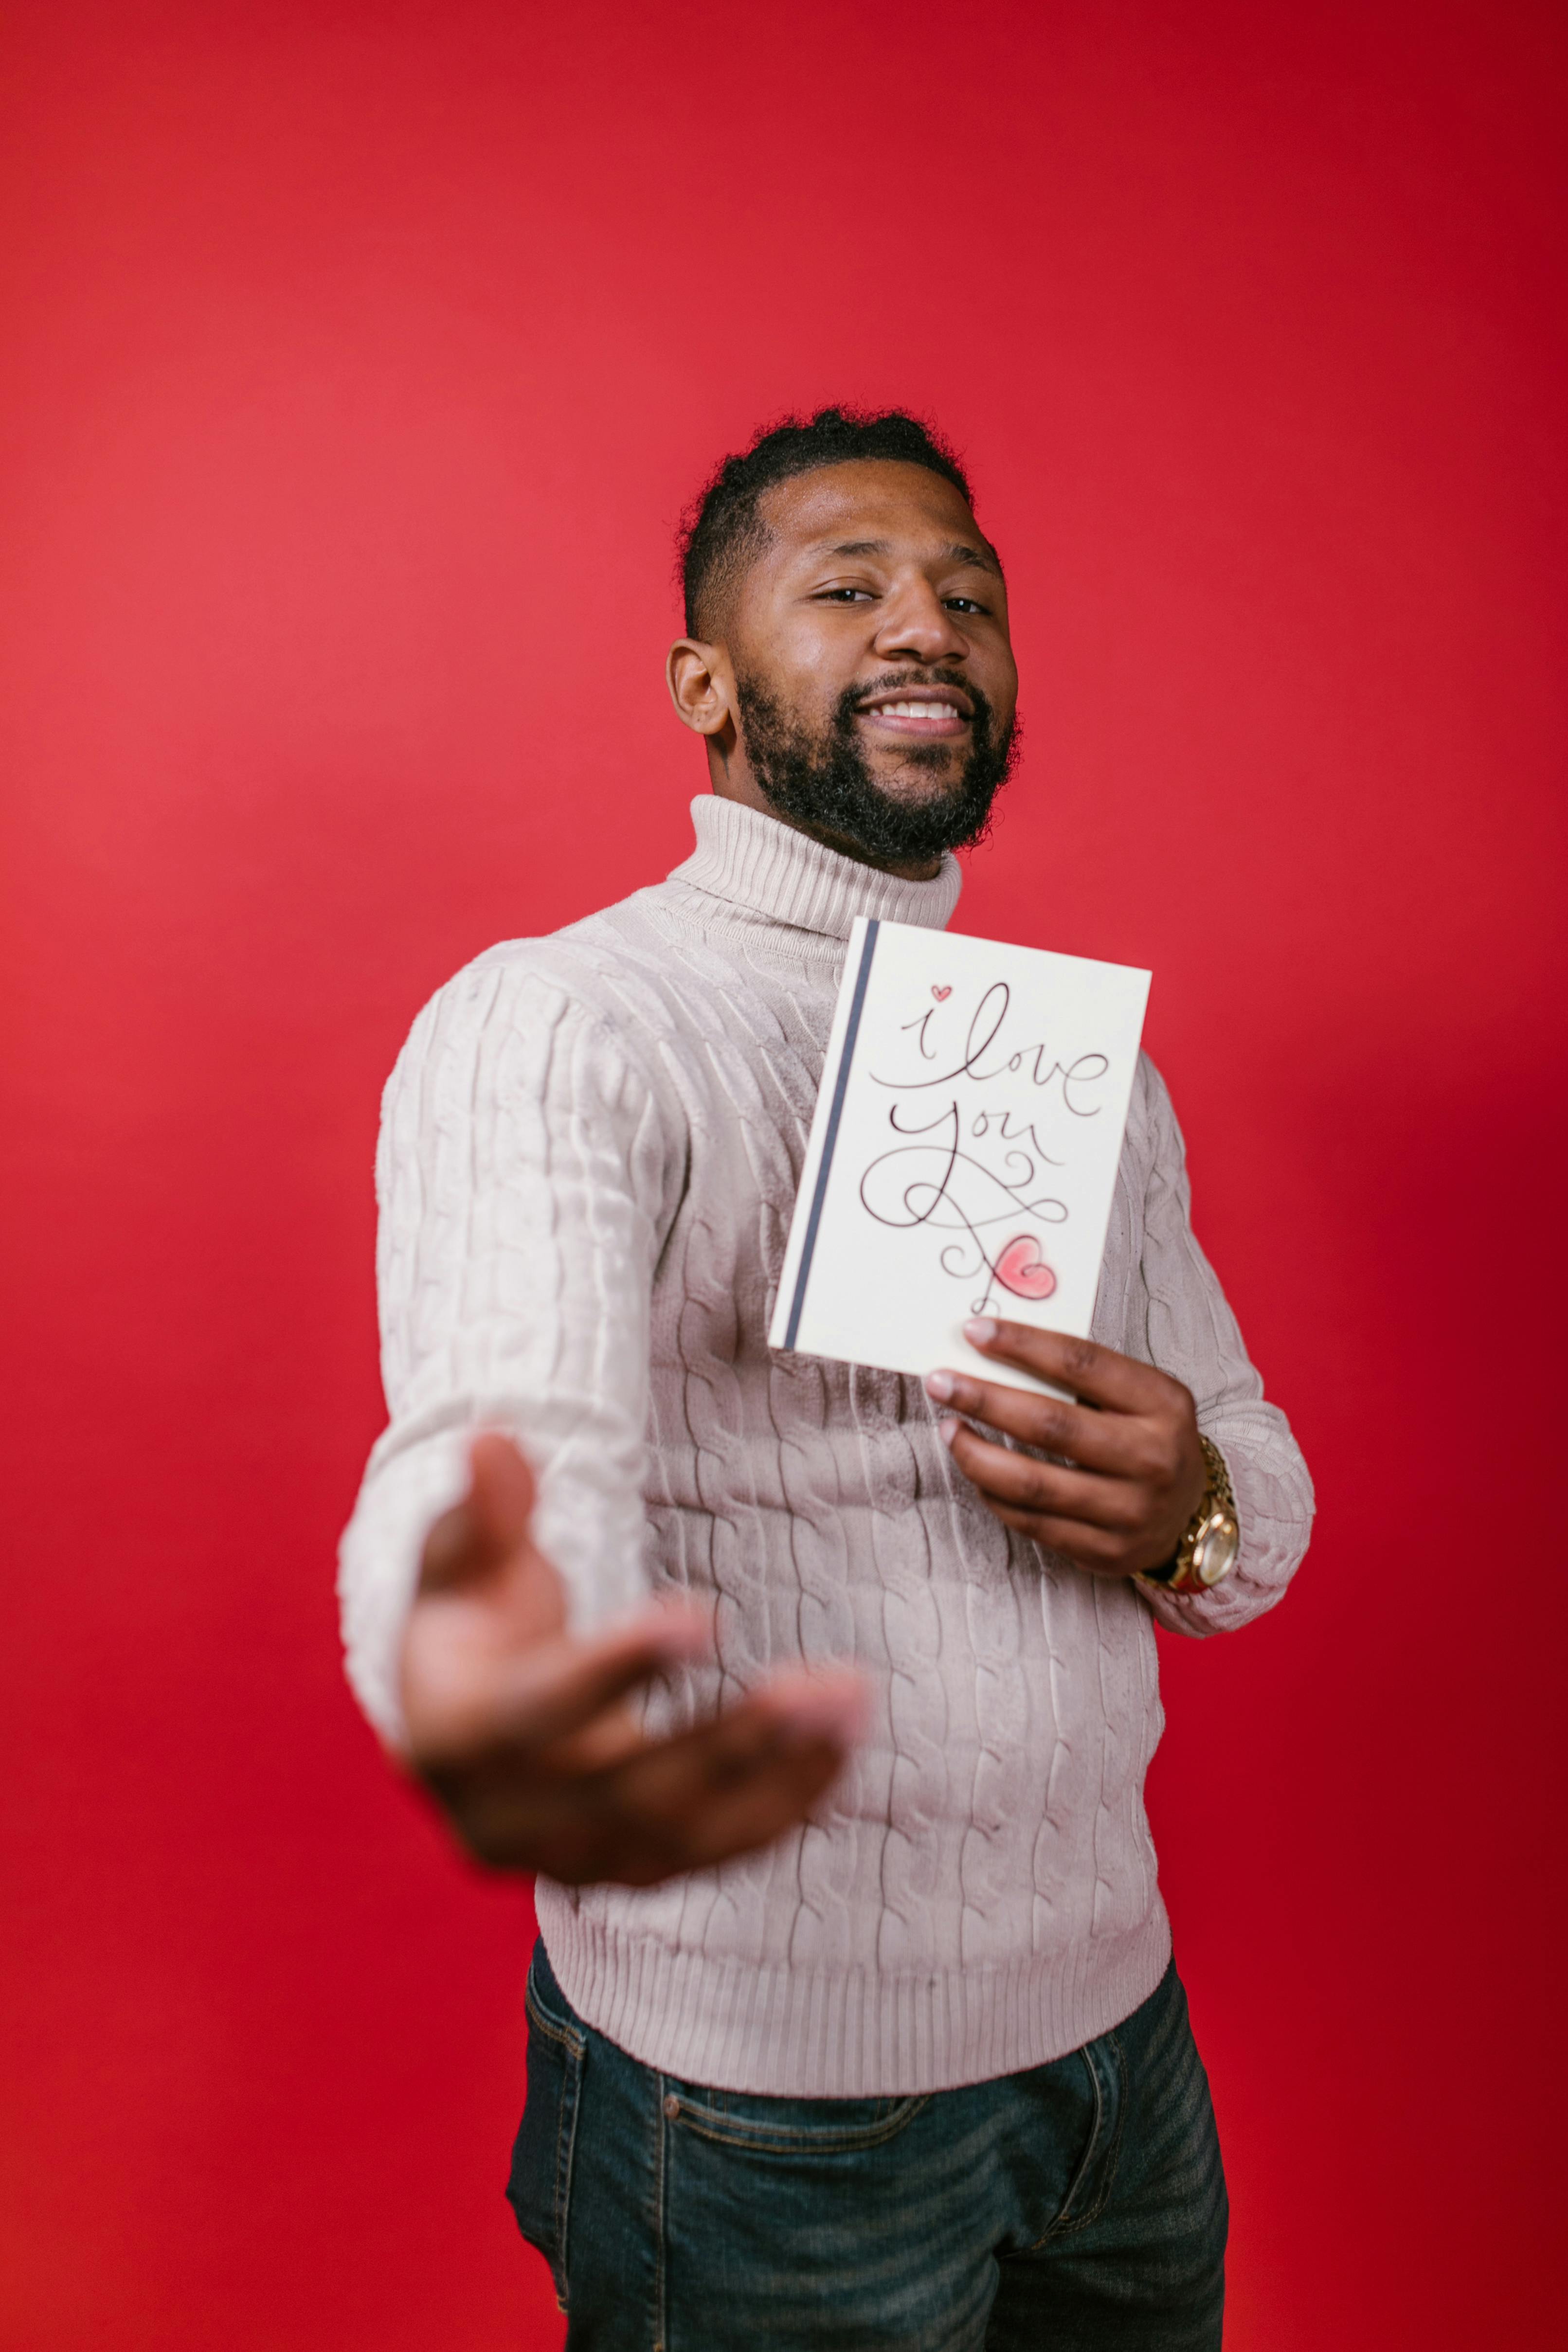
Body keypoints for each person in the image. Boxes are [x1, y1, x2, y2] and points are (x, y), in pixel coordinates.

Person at [339, 407, 1314, 2350]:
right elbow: (512, 1444)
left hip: (1121, 2057)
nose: (924, 626)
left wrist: (1191, 1499)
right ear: (702, 684)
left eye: (968, 594)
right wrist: (498, 1644)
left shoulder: (1081, 1076)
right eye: (848, 586)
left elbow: (1252, 1495)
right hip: (763, 2113)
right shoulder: (563, 1022)